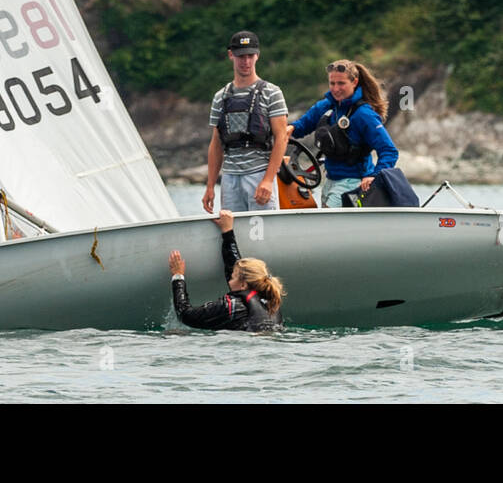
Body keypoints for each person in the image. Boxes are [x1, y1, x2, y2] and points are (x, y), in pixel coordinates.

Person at [289, 59, 399, 209]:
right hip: (329, 181)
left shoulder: (364, 115)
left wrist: (373, 176)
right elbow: (301, 127)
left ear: (354, 82)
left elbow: (389, 151)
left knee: (326, 221)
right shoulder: (325, 106)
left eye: (341, 83)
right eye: (332, 83)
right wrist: (287, 130)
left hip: (353, 183)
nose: (336, 89)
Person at [202, 30, 289, 213]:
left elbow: (281, 138)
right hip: (230, 178)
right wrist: (210, 186)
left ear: (257, 55)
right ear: (231, 55)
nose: (246, 61)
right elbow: (216, 143)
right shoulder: (220, 97)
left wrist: (267, 180)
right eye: (241, 56)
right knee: (233, 232)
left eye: (250, 55)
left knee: (263, 234)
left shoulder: (272, 92)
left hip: (259, 175)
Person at [169, 210, 285, 332]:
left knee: (174, 333)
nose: (229, 281)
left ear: (243, 284)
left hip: (241, 346)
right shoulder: (272, 303)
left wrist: (178, 277)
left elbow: (185, 315)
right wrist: (227, 232)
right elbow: (235, 268)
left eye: (233, 278)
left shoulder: (232, 306)